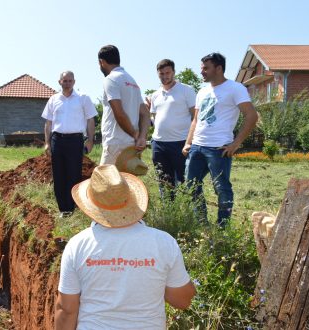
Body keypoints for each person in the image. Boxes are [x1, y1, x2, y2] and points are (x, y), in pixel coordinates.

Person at [55, 165, 196, 329]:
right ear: (132, 200)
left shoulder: (78, 245)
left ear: (91, 205)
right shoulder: (163, 242)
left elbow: (66, 309)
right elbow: (183, 300)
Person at [182, 52, 258, 226]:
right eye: (201, 68)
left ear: (218, 68)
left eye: (205, 68)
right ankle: (202, 223)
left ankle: (222, 226)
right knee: (191, 186)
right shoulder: (202, 91)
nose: (202, 72)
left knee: (221, 188)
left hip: (218, 149)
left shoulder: (235, 88)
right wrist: (188, 142)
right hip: (197, 147)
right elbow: (196, 119)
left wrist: (236, 143)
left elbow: (251, 116)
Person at [42, 71, 97, 217]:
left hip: (75, 141)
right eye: (64, 80)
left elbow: (91, 120)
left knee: (74, 174)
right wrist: (47, 143)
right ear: (59, 81)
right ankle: (63, 209)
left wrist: (91, 140)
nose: (67, 83)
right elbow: (48, 123)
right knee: (59, 175)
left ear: (74, 82)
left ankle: (72, 207)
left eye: (70, 80)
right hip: (57, 140)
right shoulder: (53, 99)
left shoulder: (83, 98)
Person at [146, 59, 196, 199]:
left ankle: (187, 214)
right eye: (161, 73)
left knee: (185, 181)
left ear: (174, 72)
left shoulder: (186, 90)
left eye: (167, 73)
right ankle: (168, 212)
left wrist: (191, 141)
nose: (165, 76)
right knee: (164, 182)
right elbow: (155, 120)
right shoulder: (155, 95)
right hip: (159, 144)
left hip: (181, 143)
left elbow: (195, 117)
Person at [97, 45, 151, 165]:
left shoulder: (111, 79)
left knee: (106, 182)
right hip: (132, 145)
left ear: (101, 62)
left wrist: (135, 135)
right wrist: (142, 137)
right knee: (129, 182)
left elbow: (119, 114)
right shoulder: (132, 81)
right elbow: (145, 113)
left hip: (115, 143)